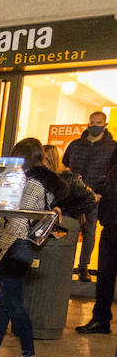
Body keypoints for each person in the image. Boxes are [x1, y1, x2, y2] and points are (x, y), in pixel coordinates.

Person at [0, 138, 60, 357]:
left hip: (16, 246)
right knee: (2, 302)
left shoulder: (31, 183)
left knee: (12, 302)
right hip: (14, 245)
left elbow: (17, 223)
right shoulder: (32, 181)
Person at [69, 112, 117, 321]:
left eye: (99, 123)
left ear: (105, 124)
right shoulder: (76, 145)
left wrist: (100, 192)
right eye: (92, 123)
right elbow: (67, 164)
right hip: (76, 195)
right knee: (71, 230)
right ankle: (68, 266)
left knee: (89, 234)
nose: (95, 126)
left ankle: (83, 267)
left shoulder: (111, 147)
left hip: (97, 197)